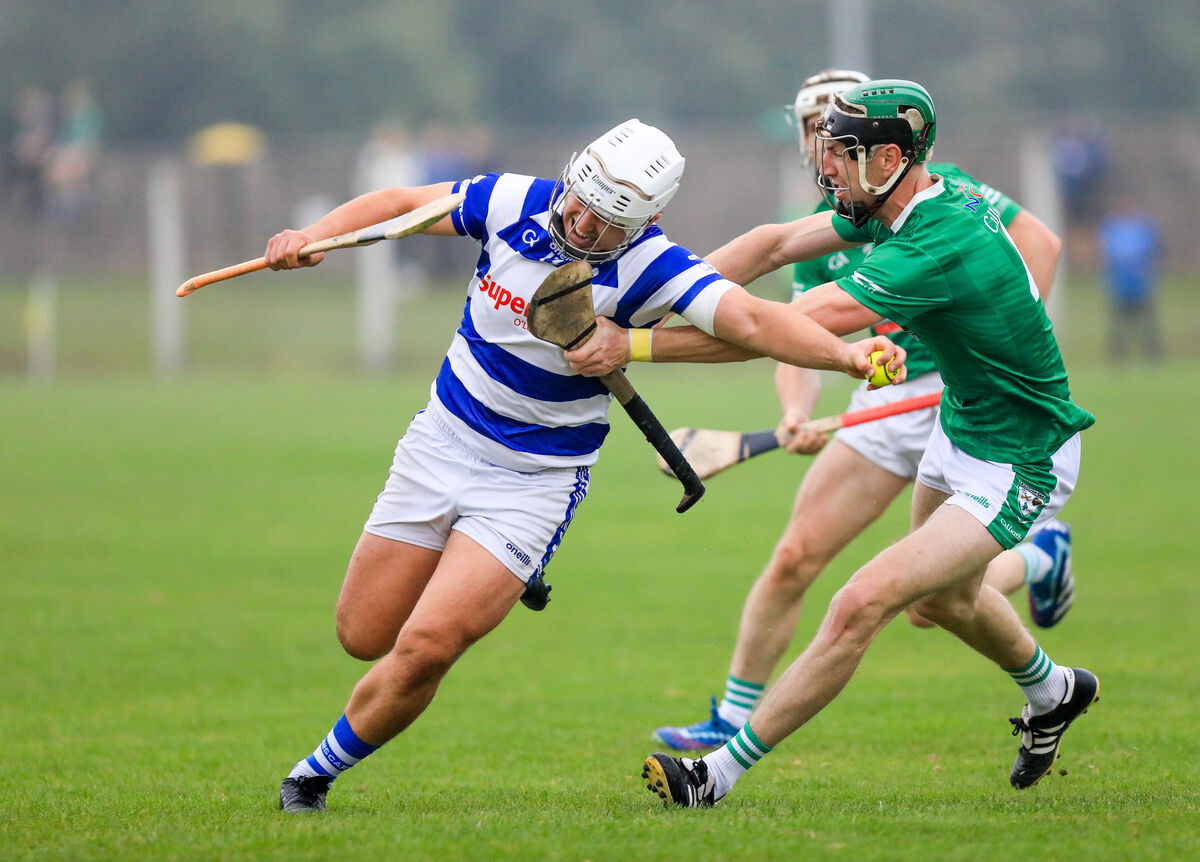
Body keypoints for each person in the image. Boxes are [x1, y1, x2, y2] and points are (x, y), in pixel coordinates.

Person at [261, 118, 907, 813]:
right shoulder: (513, 200)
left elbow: (752, 322)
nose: (579, 224)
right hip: (439, 445)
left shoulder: (655, 265)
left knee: (426, 645)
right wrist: (315, 237)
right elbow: (400, 207)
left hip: (533, 482)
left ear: (647, 219)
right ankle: (505, 573)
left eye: (603, 223)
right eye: (578, 203)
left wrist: (845, 356)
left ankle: (312, 775)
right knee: (362, 635)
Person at [564, 82, 1097, 801]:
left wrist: (630, 343)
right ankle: (1055, 691)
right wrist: (639, 291)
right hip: (962, 424)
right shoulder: (901, 201)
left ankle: (714, 776)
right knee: (937, 604)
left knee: (860, 602)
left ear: (889, 157)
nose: (826, 169)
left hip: (1021, 454)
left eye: (841, 154)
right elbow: (770, 245)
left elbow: (770, 330)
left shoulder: (932, 243)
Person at [1097, 195, 1164, 361]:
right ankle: (1118, 355)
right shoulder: (1111, 227)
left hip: (1141, 282)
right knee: (1119, 324)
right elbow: (1106, 253)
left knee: (1147, 322)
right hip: (1120, 283)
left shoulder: (1143, 225)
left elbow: (1153, 251)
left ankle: (1152, 354)